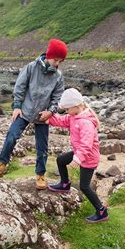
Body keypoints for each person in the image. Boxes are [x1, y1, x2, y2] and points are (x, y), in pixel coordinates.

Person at [0, 39, 67, 190]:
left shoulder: (58, 76)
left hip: (42, 115)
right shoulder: (31, 67)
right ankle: (1, 165)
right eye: (56, 60)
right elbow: (20, 86)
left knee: (42, 147)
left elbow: (57, 97)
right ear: (49, 55)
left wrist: (50, 112)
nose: (57, 64)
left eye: (60, 61)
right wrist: (17, 106)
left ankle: (40, 175)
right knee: (11, 136)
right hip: (25, 111)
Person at [47, 88, 108, 223]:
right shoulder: (74, 116)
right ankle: (64, 184)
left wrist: (78, 159)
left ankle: (101, 211)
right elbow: (61, 121)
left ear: (75, 106)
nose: (66, 112)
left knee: (84, 187)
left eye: (67, 109)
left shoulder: (85, 122)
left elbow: (86, 144)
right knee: (61, 160)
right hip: (79, 152)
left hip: (89, 158)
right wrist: (48, 118)